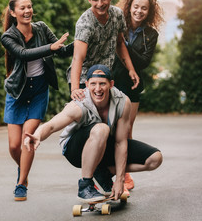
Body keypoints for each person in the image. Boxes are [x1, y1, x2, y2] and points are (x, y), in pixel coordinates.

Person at [24, 64, 162, 202]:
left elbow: (120, 142)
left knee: (155, 159)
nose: (98, 89)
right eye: (93, 84)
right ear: (87, 84)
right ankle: (85, 185)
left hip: (104, 145)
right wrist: (37, 135)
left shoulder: (122, 102)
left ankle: (103, 173)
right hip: (75, 150)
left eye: (102, 84)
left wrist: (120, 179)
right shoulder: (79, 104)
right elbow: (52, 125)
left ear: (111, 84)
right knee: (101, 128)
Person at [1, 0, 73, 201]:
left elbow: (61, 51)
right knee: (14, 146)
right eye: (22, 8)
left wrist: (81, 43)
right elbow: (23, 54)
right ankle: (22, 169)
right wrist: (50, 48)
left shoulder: (41, 28)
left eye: (30, 7)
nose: (27, 11)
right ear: (13, 13)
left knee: (27, 140)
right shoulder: (8, 36)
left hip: (39, 90)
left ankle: (21, 183)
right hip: (17, 92)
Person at [112, 0, 164, 190]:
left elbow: (143, 62)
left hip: (133, 86)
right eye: (136, 7)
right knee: (110, 129)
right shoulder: (117, 25)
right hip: (113, 82)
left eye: (144, 8)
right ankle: (112, 172)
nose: (139, 11)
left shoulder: (151, 34)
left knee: (126, 130)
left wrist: (123, 44)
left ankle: (124, 174)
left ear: (148, 11)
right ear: (129, 6)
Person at [67, 0, 140, 101]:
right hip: (83, 78)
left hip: (103, 77)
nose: (100, 4)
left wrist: (131, 69)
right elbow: (77, 58)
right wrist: (75, 88)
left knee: (107, 116)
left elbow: (120, 43)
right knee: (85, 117)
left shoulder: (117, 14)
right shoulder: (85, 23)